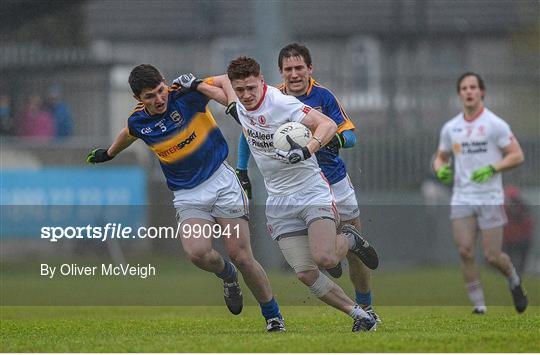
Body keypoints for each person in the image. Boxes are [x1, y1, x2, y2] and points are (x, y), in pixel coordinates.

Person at [180, 57, 379, 332]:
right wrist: (196, 84)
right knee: (305, 273)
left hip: (311, 192)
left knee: (326, 259)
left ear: (262, 81)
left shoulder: (282, 103)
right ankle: (359, 315)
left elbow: (327, 126)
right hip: (279, 203)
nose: (247, 95)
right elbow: (222, 84)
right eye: (241, 90)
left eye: (252, 88)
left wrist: (307, 149)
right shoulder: (238, 101)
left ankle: (349, 239)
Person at [86, 64, 285, 332]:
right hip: (187, 194)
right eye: (150, 96)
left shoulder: (186, 94)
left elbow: (227, 80)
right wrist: (109, 153)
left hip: (222, 181)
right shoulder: (139, 121)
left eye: (160, 91)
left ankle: (273, 316)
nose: (159, 99)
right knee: (197, 253)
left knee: (241, 254)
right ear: (138, 99)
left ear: (165, 83)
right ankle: (227, 275)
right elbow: (128, 133)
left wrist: (203, 87)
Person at [235, 43, 380, 322]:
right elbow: (246, 135)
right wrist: (242, 170)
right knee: (320, 256)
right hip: (295, 186)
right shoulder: (271, 98)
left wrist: (320, 141)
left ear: (309, 69)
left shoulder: (323, 97)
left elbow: (350, 136)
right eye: (288, 69)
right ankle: (350, 295)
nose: (294, 74)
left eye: (299, 67)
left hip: (332, 180)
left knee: (354, 256)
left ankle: (367, 305)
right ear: (280, 72)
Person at [432, 72, 528, 314]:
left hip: (490, 197)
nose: (469, 91)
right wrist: (441, 169)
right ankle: (479, 306)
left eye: (473, 87)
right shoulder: (451, 128)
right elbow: (440, 158)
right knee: (465, 250)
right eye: (464, 88)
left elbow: (517, 154)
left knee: (492, 255)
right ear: (459, 94)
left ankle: (514, 280)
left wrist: (492, 168)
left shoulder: (495, 124)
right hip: (462, 197)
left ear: (481, 92)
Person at [503, 185, 533, 276]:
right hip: (508, 240)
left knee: (524, 248)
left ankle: (520, 272)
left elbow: (529, 225)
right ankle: (508, 271)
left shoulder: (524, 209)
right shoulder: (503, 209)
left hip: (521, 239)